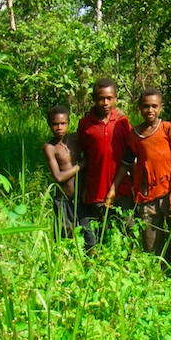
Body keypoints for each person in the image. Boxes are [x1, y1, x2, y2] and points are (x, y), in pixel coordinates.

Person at [110, 88, 171, 261]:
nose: (150, 110)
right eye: (146, 106)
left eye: (154, 106)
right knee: (150, 239)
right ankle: (155, 271)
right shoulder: (134, 135)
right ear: (139, 108)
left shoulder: (167, 129)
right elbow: (126, 163)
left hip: (168, 191)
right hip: (147, 194)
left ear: (161, 107)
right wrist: (113, 188)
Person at [77, 78, 133, 231]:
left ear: (115, 98)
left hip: (122, 187)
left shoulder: (122, 121)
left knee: (128, 228)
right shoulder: (85, 124)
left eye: (109, 98)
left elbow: (131, 153)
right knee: (101, 231)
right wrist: (84, 187)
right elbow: (83, 156)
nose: (105, 102)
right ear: (94, 99)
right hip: (97, 189)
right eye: (101, 98)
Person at [42, 106, 96, 251]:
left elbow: (91, 133)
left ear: (68, 123)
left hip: (81, 197)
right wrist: (80, 166)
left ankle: (90, 265)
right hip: (63, 201)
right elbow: (59, 177)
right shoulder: (50, 147)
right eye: (55, 124)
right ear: (49, 124)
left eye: (63, 123)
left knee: (90, 237)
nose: (59, 127)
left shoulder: (75, 139)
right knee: (65, 239)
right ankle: (65, 268)